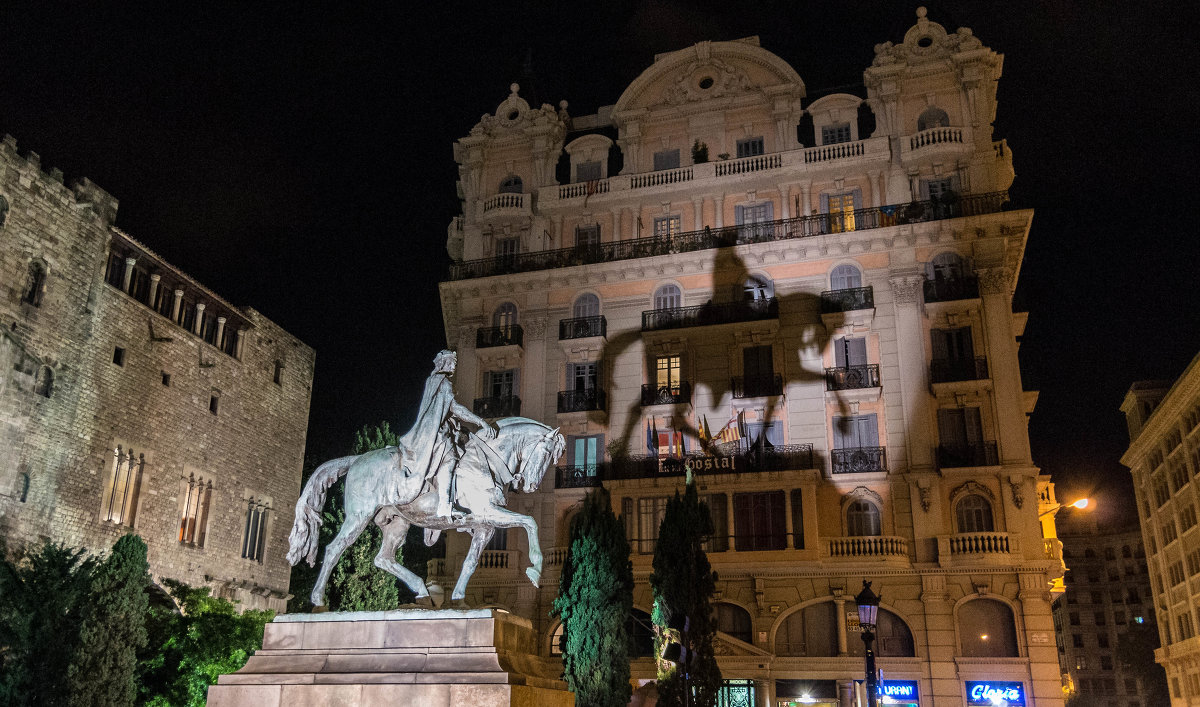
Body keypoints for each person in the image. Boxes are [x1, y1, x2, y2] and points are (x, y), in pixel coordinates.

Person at [399, 350, 496, 518]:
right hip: (437, 433)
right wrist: (481, 422)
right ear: (443, 363)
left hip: (432, 430)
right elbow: (456, 409)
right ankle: (444, 505)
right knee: (450, 459)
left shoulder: (433, 381)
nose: (454, 366)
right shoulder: (443, 383)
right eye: (451, 362)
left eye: (454, 363)